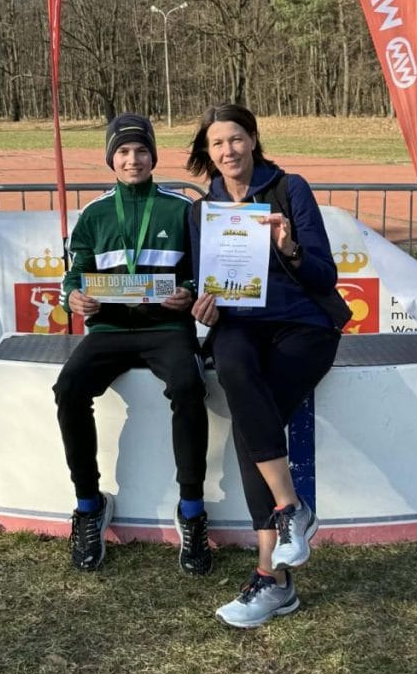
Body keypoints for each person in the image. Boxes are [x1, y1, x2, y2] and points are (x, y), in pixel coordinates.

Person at [188, 103, 350, 628]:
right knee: (235, 368)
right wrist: (203, 306)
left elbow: (325, 277)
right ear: (207, 152)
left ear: (254, 140)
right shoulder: (202, 212)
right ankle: (290, 510)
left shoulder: (289, 189)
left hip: (303, 325)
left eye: (236, 138)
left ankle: (273, 579)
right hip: (239, 326)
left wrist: (290, 248)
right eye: (217, 143)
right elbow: (205, 283)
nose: (228, 150)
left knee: (250, 425)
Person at [53, 113, 212, 575]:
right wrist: (73, 297)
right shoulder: (95, 213)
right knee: (68, 390)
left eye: (141, 150)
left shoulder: (180, 208)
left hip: (167, 328)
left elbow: (201, 270)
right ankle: (89, 505)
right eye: (122, 152)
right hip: (109, 329)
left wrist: (187, 291)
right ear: (111, 159)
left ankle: (192, 510)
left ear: (153, 156)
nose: (133, 159)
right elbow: (75, 274)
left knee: (189, 387)